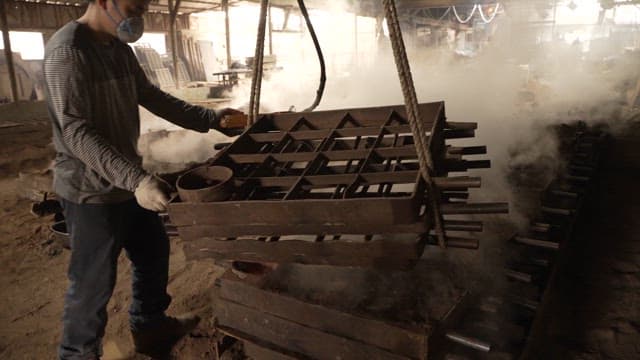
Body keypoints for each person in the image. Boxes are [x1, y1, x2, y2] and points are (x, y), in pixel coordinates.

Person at [43, 0, 243, 358]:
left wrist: (210, 119)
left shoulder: (118, 50)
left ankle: (149, 328)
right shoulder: (68, 51)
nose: (138, 18)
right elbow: (75, 131)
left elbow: (149, 95)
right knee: (92, 285)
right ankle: (77, 354)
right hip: (91, 191)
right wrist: (136, 180)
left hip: (127, 180)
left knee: (153, 253)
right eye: (134, 7)